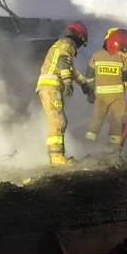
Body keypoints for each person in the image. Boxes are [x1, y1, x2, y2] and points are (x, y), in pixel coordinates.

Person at [37, 22, 93, 166]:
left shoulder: (60, 45)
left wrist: (84, 84)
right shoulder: (67, 43)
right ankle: (57, 157)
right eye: (82, 42)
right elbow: (63, 62)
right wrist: (68, 82)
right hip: (51, 87)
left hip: (49, 86)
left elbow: (71, 69)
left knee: (60, 120)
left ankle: (56, 156)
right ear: (80, 37)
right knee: (58, 121)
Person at [84, 28, 127, 147]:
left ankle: (88, 146)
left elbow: (89, 76)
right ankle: (114, 150)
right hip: (118, 98)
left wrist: (90, 93)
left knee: (96, 122)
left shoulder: (96, 55)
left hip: (100, 97)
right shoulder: (122, 57)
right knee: (116, 124)